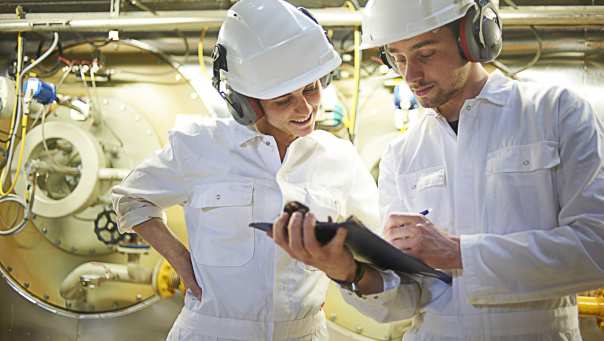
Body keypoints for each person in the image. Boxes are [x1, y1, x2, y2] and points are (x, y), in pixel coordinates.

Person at [270, 0, 604, 340]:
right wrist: (347, 272)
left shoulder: (555, 114)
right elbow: (406, 300)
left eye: (425, 54)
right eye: (397, 58)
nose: (410, 75)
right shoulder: (403, 153)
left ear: (473, 38)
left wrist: (459, 253)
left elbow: (597, 248)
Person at [111, 0, 379, 340]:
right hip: (212, 330)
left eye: (311, 89)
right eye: (283, 99)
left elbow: (379, 245)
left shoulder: (338, 159)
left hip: (303, 332)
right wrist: (182, 262)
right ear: (248, 104)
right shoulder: (200, 146)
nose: (305, 108)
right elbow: (131, 199)